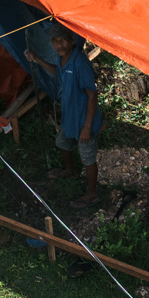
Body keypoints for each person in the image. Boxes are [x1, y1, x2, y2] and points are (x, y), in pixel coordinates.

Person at [25, 24, 102, 207]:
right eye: (55, 41)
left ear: (72, 41)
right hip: (70, 117)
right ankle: (70, 171)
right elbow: (58, 74)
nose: (59, 45)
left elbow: (92, 95)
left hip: (84, 120)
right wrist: (37, 59)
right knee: (62, 142)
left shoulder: (80, 63)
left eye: (62, 41)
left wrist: (86, 127)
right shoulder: (63, 60)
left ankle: (92, 194)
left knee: (87, 157)